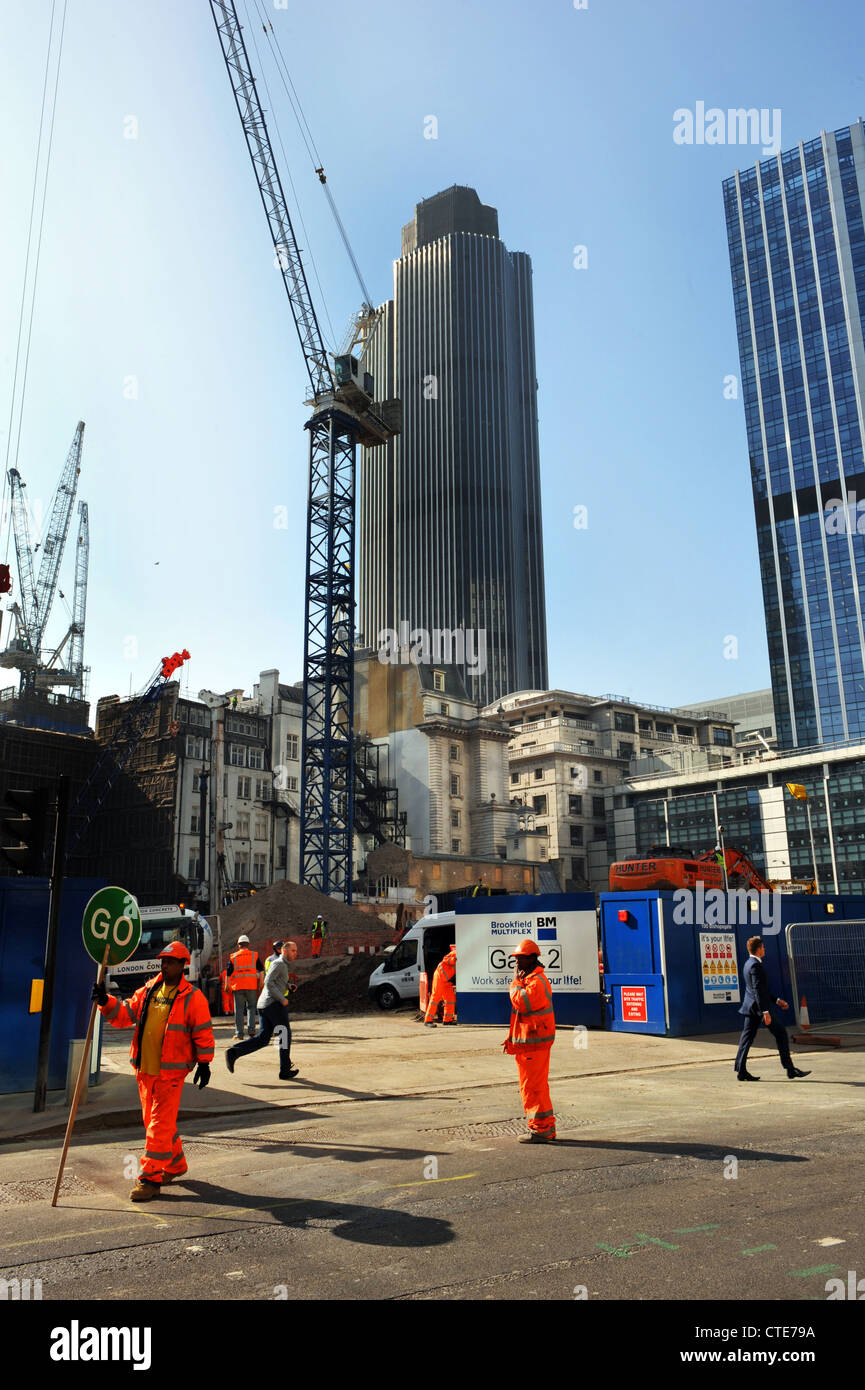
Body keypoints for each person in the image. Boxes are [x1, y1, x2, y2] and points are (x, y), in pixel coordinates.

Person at [92, 941, 214, 1201]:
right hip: (145, 1071)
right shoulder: (149, 990)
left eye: (170, 962)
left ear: (183, 965)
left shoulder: (193, 998)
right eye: (163, 961)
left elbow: (203, 1033)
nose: (165, 965)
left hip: (170, 1075)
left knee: (157, 1127)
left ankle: (149, 1180)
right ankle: (176, 1164)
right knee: (155, 1123)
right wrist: (105, 1001)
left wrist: (204, 1062)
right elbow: (124, 1014)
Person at [502, 938, 556, 1143]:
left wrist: (514, 983)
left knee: (532, 1088)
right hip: (530, 1044)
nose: (517, 963)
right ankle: (546, 1128)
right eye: (516, 959)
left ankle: (541, 1129)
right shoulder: (532, 979)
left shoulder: (535, 982)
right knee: (536, 1087)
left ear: (532, 959)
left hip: (534, 1045)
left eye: (520, 959)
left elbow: (521, 1002)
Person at [734, 936, 811, 1081]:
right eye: (763, 947)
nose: (764, 949)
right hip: (759, 1009)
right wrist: (765, 1012)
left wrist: (777, 1000)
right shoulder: (755, 965)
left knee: (746, 1039)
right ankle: (790, 1069)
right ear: (758, 949)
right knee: (781, 1033)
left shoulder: (748, 963)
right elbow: (757, 989)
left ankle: (741, 1071)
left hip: (751, 1008)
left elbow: (761, 989)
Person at [226, 941, 299, 1081]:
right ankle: (284, 1070)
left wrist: (288, 986)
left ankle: (233, 1052)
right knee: (284, 1035)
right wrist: (282, 999)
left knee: (263, 1038)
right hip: (273, 1004)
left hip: (265, 1004)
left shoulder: (281, 964)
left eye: (296, 950)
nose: (295, 953)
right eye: (293, 950)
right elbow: (268, 982)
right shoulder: (279, 963)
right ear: (284, 951)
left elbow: (276, 981)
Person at [226, 934, 264, 1040]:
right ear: (248, 944)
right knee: (251, 1008)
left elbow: (228, 973)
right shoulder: (254, 955)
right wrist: (261, 982)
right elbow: (261, 970)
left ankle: (239, 1034)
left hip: (238, 987)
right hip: (251, 986)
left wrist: (227, 984)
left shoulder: (233, 957)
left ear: (238, 945)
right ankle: (251, 1031)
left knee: (238, 1010)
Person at [424, 945, 457, 1026]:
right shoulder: (455, 953)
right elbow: (446, 959)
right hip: (440, 976)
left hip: (447, 980)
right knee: (435, 998)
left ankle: (447, 1020)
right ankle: (428, 1020)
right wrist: (454, 960)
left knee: (450, 999)